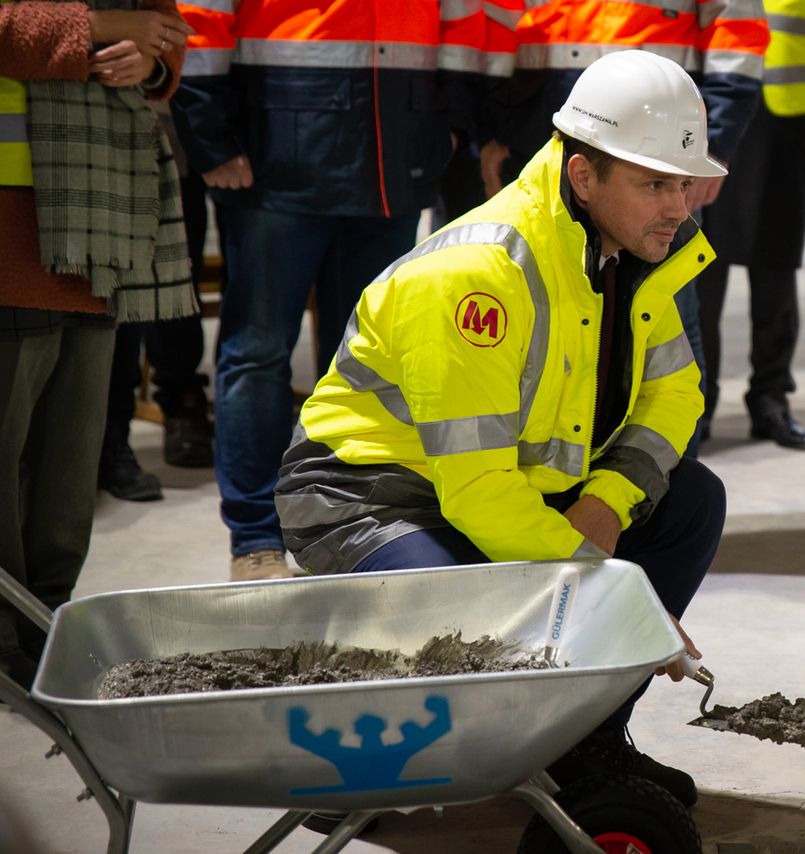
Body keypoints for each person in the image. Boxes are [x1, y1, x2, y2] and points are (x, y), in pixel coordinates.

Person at [275, 50, 727, 809]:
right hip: (372, 498)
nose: (678, 206)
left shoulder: (641, 255)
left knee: (690, 501)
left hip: (509, 490)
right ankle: (340, 750)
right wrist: (613, 593)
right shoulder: (478, 274)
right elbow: (477, 490)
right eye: (655, 183)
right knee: (474, 619)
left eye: (684, 182)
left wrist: (606, 504)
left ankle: (587, 745)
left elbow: (675, 395)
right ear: (584, 177)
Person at [172, 0, 514, 580]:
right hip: (275, 148)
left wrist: (451, 126)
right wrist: (208, 133)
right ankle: (255, 538)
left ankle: (353, 527)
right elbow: (202, 12)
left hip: (393, 151)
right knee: (257, 355)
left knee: (370, 366)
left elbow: (466, 15)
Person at [475, 0, 770, 456]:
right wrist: (494, 127)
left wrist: (712, 144)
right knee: (542, 332)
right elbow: (497, 21)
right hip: (548, 131)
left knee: (661, 331)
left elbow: (738, 32)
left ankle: (656, 490)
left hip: (659, 145)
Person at [0, 0, 193, 688]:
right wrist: (106, 29)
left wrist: (151, 60)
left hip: (100, 220)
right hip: (14, 221)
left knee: (67, 472)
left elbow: (166, 31)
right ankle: (7, 647)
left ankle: (46, 632)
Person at [696, 0, 805, 451]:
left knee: (777, 264)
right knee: (701, 268)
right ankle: (696, 406)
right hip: (715, 113)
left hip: (785, 115)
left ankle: (771, 399)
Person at [98, 104, 216, 503]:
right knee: (111, 306)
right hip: (91, 142)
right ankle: (110, 439)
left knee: (174, 292)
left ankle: (179, 405)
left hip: (172, 139)